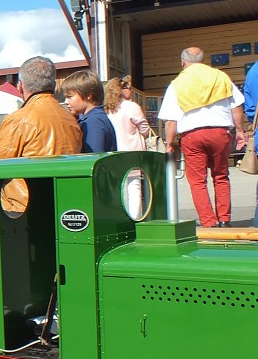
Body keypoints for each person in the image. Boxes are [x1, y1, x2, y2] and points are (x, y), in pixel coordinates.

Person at [0, 56, 83, 272]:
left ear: (21, 86)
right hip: (61, 204)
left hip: (20, 209)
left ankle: (2, 292)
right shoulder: (71, 119)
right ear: (53, 84)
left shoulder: (18, 119)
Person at [160, 47, 247, 228]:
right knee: (221, 175)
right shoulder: (220, 76)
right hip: (220, 133)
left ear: (182, 62)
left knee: (197, 181)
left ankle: (209, 222)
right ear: (202, 59)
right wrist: (240, 130)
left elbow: (170, 121)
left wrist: (169, 144)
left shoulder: (177, 83)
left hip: (192, 136)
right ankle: (224, 219)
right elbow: (236, 106)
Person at [62, 70, 117, 153]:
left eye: (70, 97)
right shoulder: (94, 118)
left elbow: (93, 158)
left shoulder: (94, 122)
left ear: (88, 95)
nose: (66, 101)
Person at [104, 76, 151, 152]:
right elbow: (145, 130)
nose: (131, 90)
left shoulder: (107, 109)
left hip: (115, 152)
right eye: (129, 87)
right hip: (134, 152)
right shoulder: (132, 106)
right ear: (121, 90)